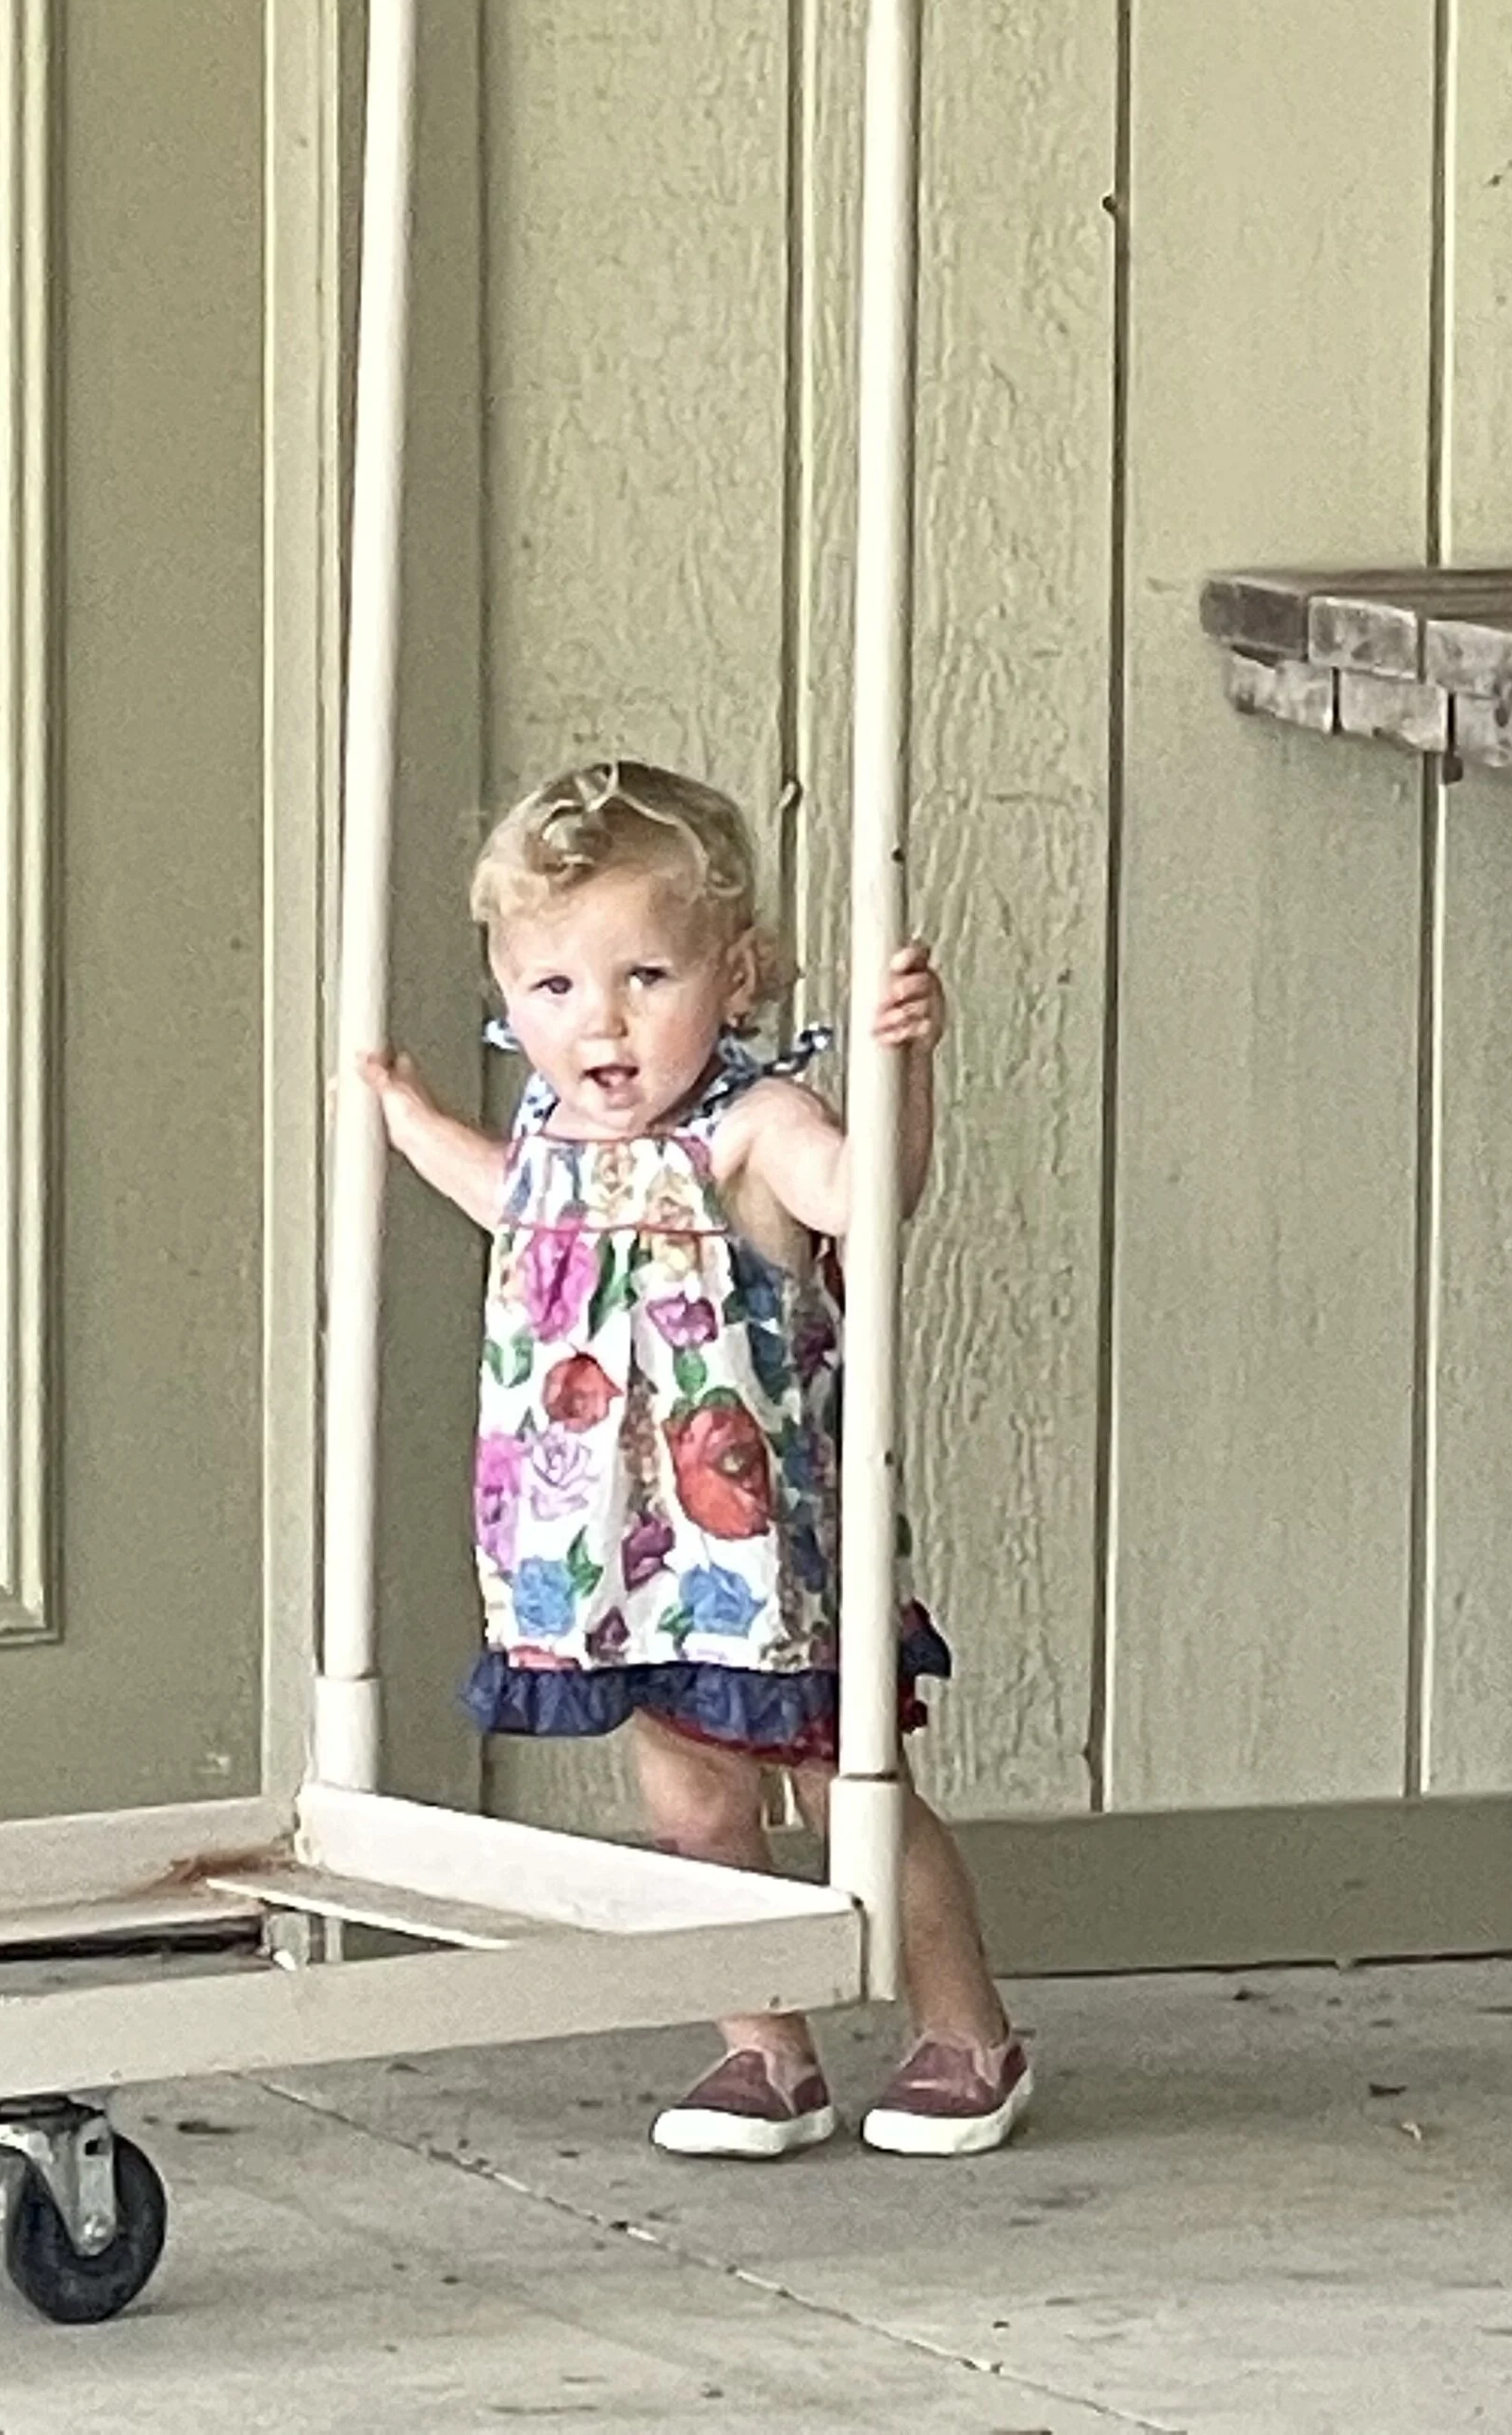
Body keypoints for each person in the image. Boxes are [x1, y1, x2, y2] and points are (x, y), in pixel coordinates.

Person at [361, 758, 1030, 2161]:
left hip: (761, 1552)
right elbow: (511, 1202)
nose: (597, 1023)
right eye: (551, 990)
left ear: (736, 979)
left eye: (643, 979)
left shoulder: (752, 1127)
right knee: (690, 1804)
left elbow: (867, 1203)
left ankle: (964, 2031)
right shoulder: (551, 1134)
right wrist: (415, 1124)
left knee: (853, 1795)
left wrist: (906, 1072)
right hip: (615, 1558)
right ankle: (762, 2049)